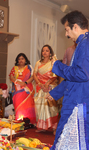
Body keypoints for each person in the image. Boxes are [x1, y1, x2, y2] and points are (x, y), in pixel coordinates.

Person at [47, 10, 89, 149]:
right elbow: (74, 78)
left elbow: (82, 74)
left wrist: (58, 65)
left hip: (79, 103)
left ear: (75, 27)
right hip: (76, 99)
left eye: (67, 30)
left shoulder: (85, 44)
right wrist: (55, 93)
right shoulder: (82, 43)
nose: (66, 34)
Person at [33, 45, 59, 134]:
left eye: (47, 51)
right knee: (40, 106)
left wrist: (47, 84)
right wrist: (40, 84)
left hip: (50, 87)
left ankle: (54, 127)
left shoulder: (53, 62)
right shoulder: (38, 63)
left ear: (50, 52)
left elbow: (55, 75)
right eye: (43, 51)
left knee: (52, 107)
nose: (44, 52)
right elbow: (34, 74)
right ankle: (42, 126)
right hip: (40, 87)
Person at [9, 53, 36, 124]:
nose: (21, 60)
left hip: (27, 89)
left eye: (22, 58)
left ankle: (28, 121)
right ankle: (19, 120)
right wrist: (17, 82)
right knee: (18, 105)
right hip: (17, 90)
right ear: (17, 60)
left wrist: (25, 83)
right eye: (19, 59)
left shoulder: (29, 67)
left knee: (28, 104)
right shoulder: (14, 68)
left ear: (25, 60)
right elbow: (11, 77)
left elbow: (33, 77)